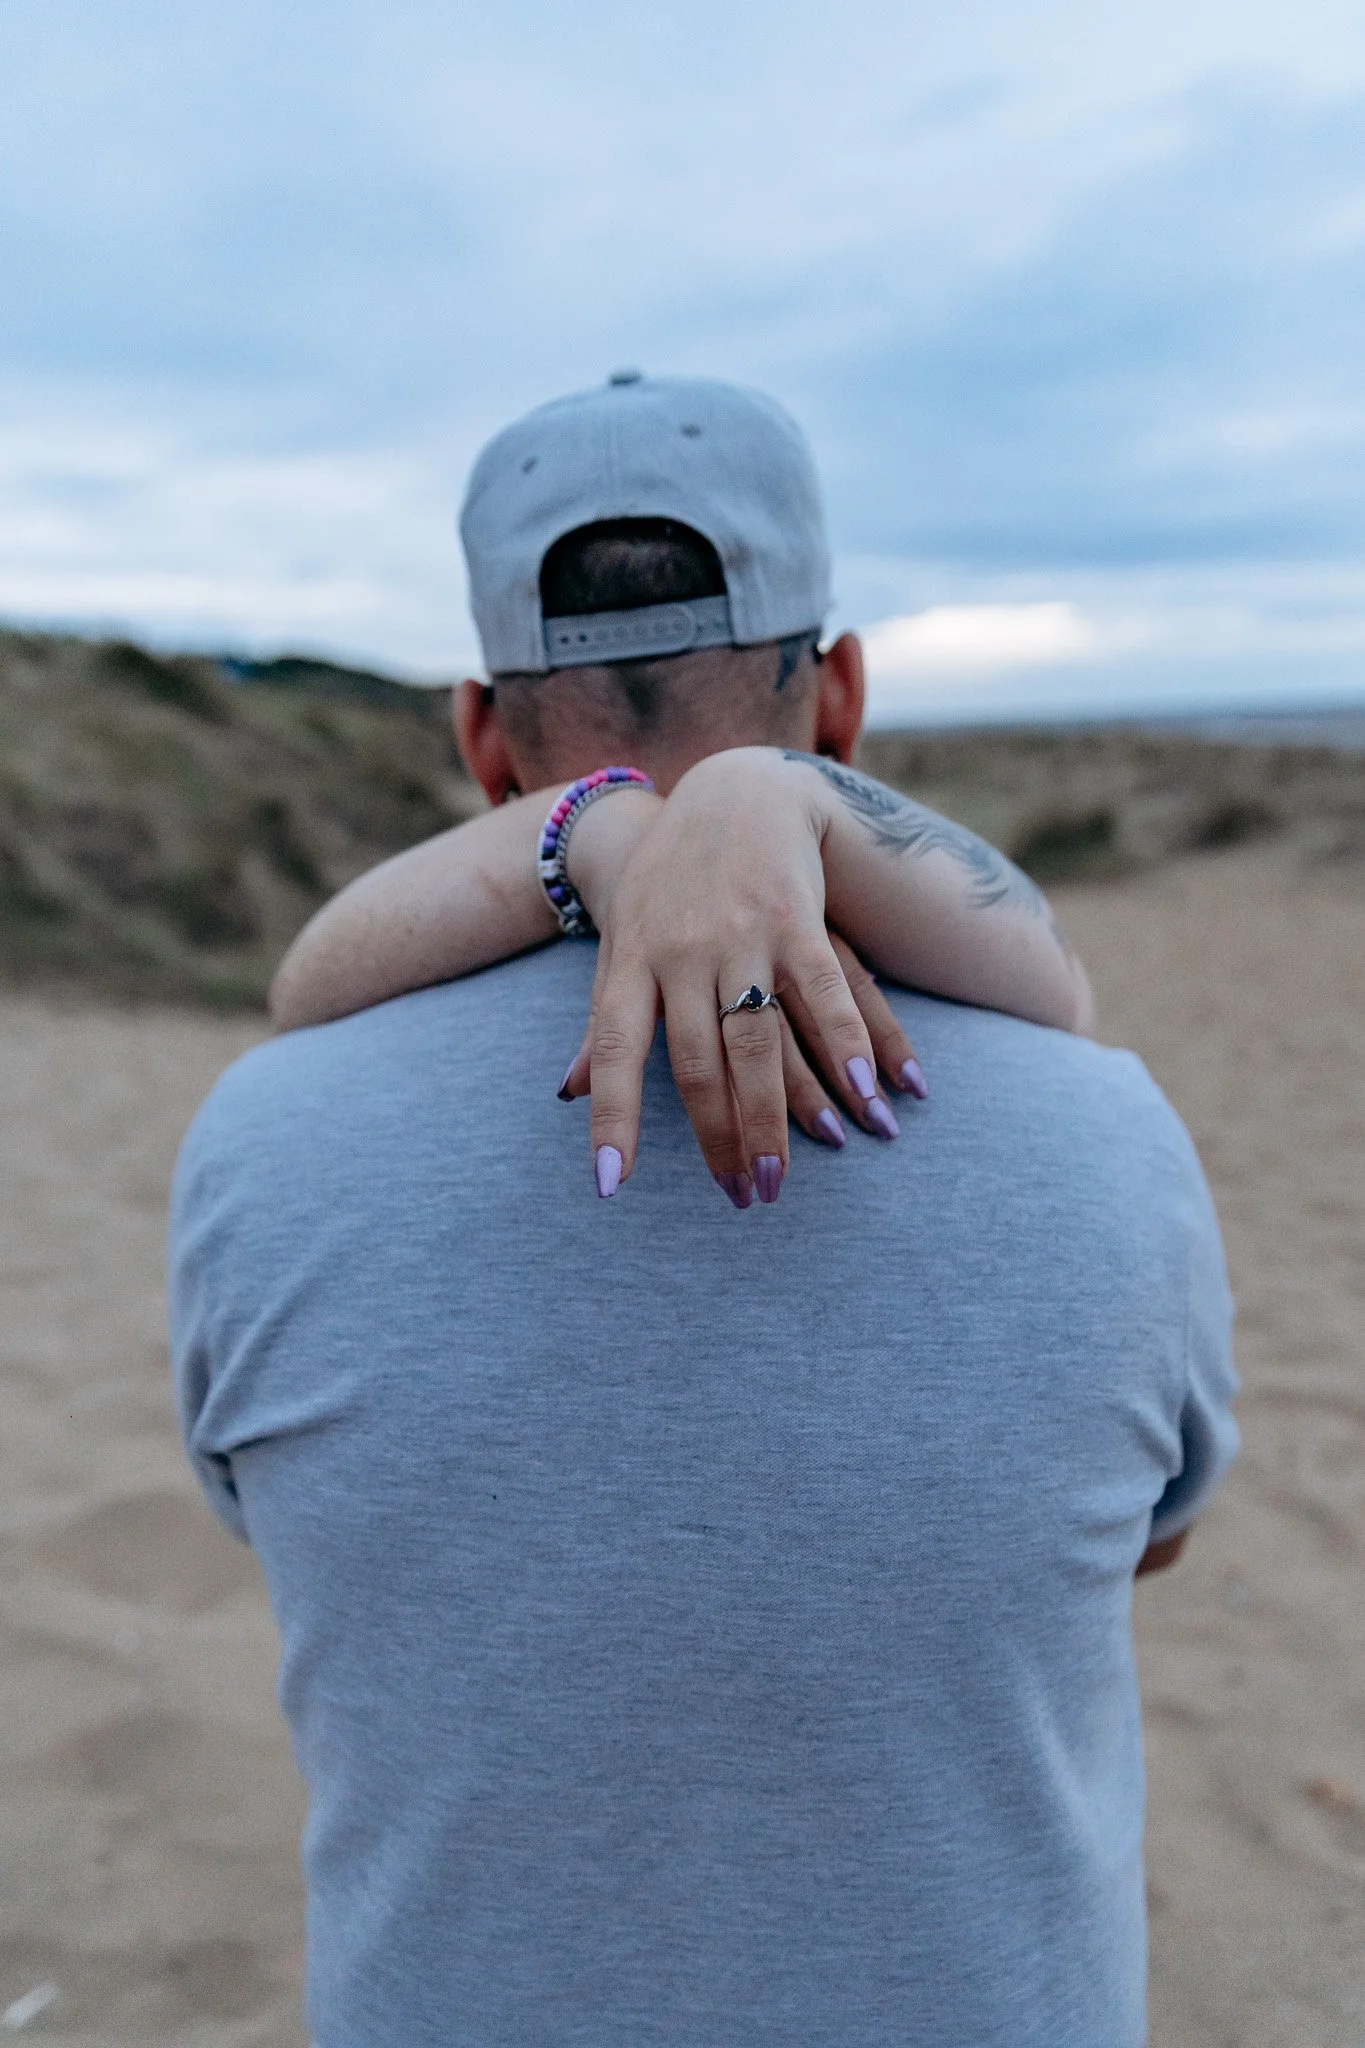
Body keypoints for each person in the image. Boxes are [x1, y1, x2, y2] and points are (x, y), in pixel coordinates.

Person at [170, 372, 1236, 2046]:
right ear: (846, 697)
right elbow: (1153, 1538)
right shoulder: (1104, 1128)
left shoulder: (256, 1139)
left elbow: (278, 1516)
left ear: (479, 733)